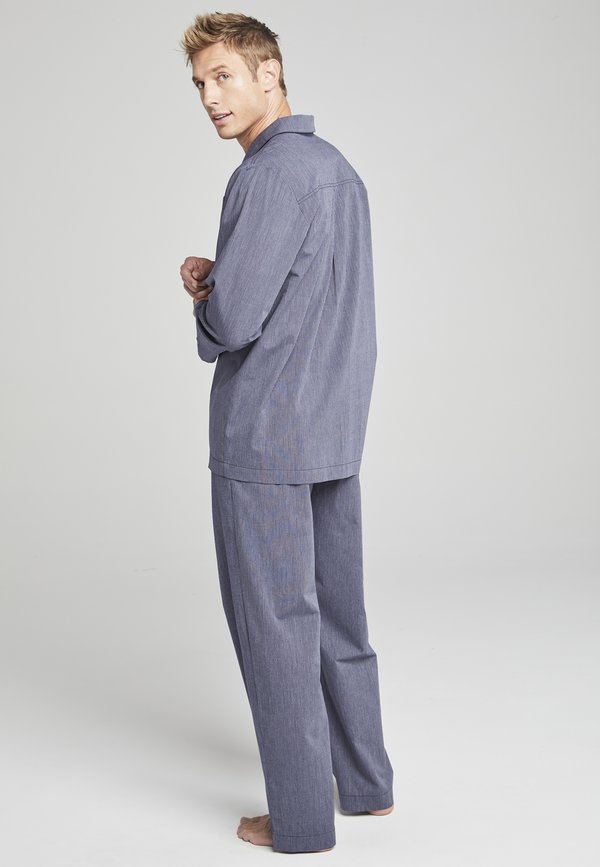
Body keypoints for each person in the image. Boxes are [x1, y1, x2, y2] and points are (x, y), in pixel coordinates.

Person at [178, 12, 394, 854]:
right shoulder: (339, 170)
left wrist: (205, 296)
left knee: (275, 627)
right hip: (333, 425)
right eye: (200, 84)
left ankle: (300, 819)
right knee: (339, 615)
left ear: (270, 73)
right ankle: (367, 785)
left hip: (266, 435)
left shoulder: (267, 176)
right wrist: (228, 281)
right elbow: (324, 299)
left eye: (224, 76)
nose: (210, 97)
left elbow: (235, 321)